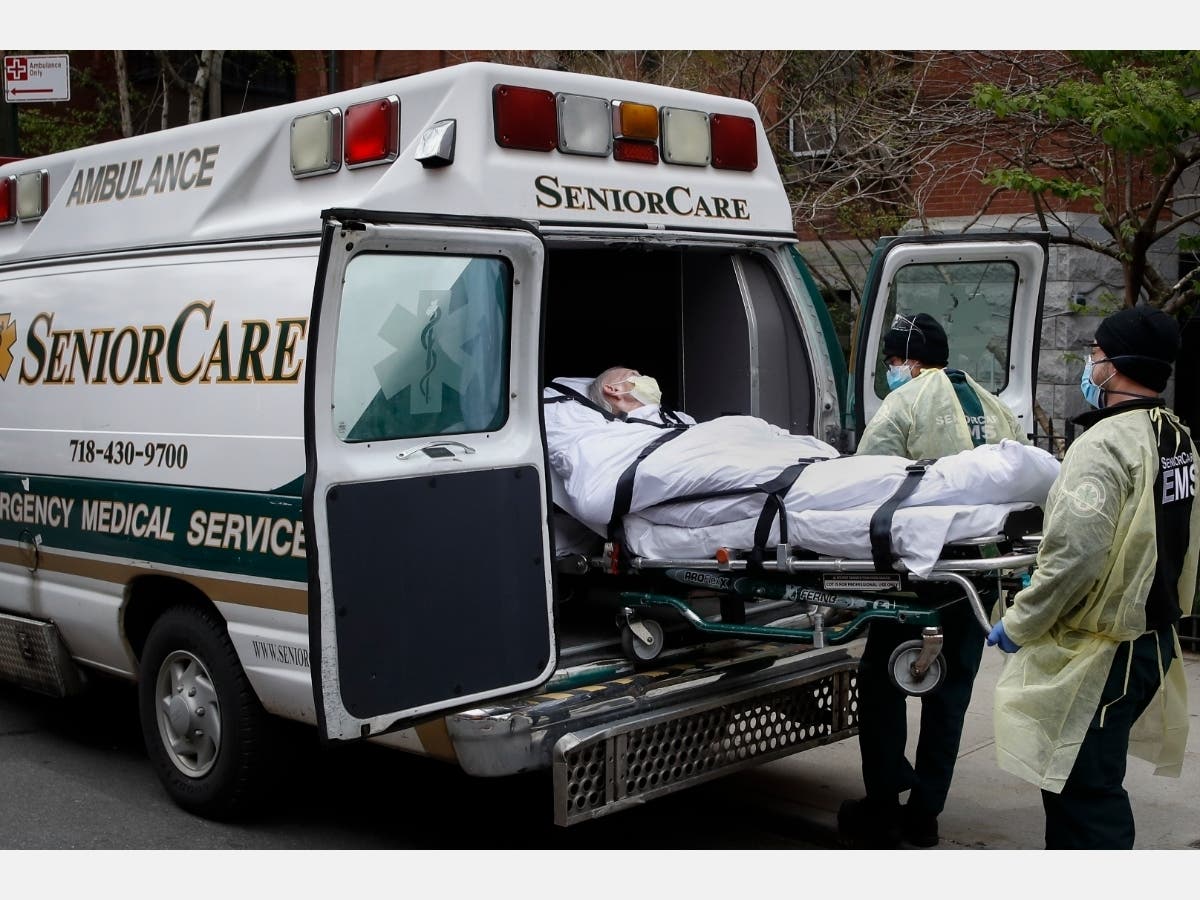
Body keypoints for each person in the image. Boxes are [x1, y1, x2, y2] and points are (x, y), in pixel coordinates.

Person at [987, 305, 1196, 850]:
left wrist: (1020, 622)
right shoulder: (1175, 437)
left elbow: (1073, 556)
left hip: (1106, 653)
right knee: (1090, 782)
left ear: (1116, 365)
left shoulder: (1105, 445)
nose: (1090, 364)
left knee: (1085, 796)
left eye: (1096, 355)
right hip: (1150, 639)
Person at [838, 311, 1030, 849]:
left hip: (918, 573)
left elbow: (864, 481)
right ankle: (925, 815)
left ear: (910, 361)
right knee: (951, 696)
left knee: (880, 685)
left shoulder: (906, 400)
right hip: (976, 576)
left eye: (892, 362)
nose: (892, 371)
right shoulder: (995, 405)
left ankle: (882, 804)